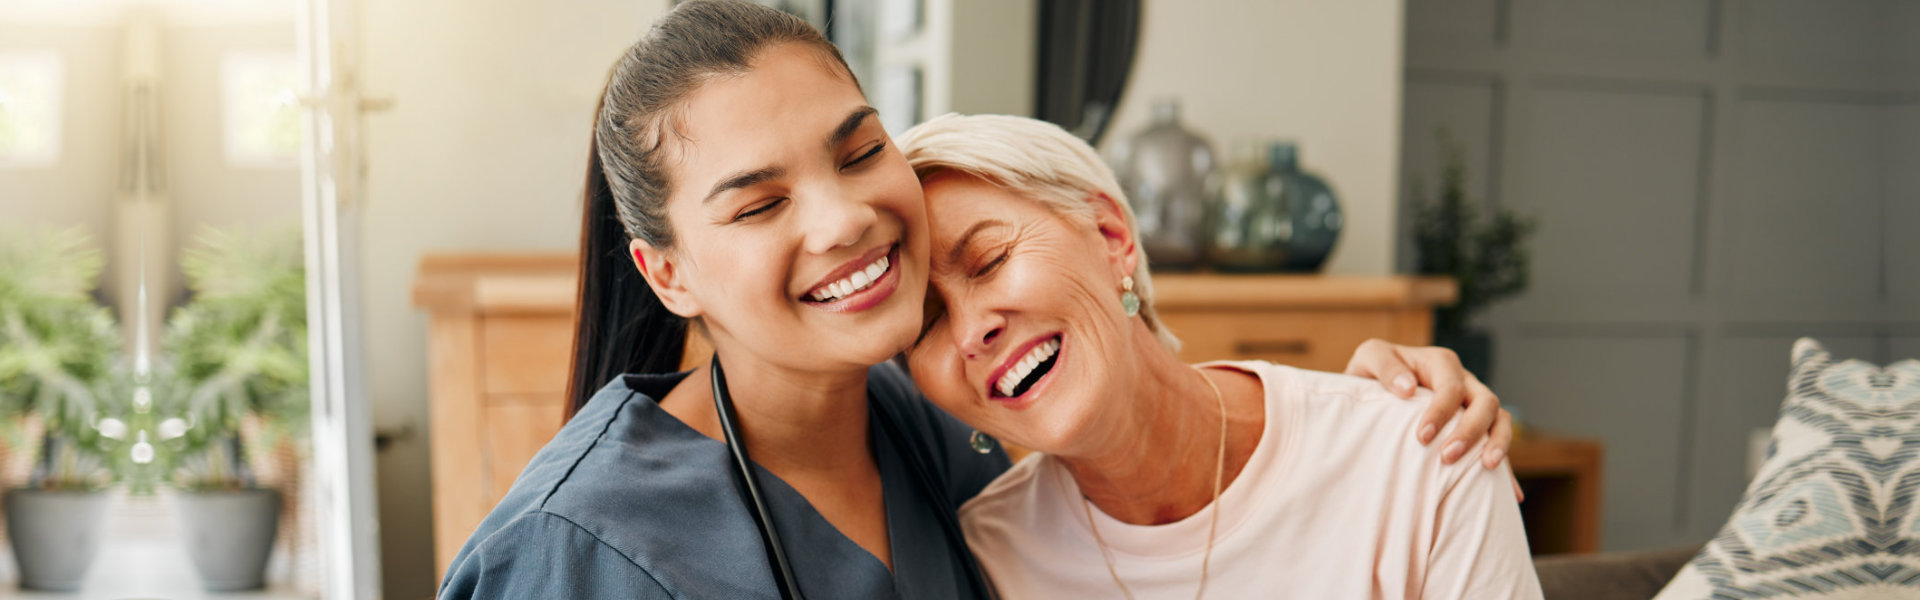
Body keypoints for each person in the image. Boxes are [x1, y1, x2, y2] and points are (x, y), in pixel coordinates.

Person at [438, 3, 1509, 598]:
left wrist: (1374, 400)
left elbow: (1149, 415)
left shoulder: (942, 431)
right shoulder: (578, 550)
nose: (845, 219)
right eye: (760, 204)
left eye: (858, 153)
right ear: (668, 272)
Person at [899, 113, 1543, 599]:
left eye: (989, 260)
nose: (969, 332)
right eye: (924, 324)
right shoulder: (985, 562)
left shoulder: (1426, 453)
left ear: (1110, 236)